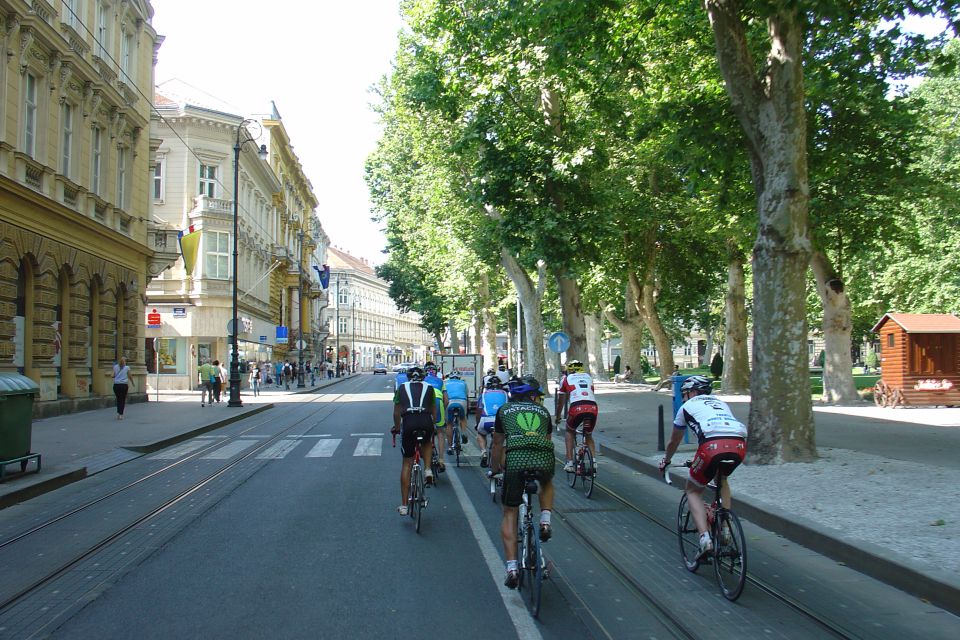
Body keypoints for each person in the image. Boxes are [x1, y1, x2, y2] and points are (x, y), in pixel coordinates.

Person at [659, 375, 747, 556]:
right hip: (739, 444)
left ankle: (705, 539)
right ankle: (725, 529)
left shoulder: (686, 407)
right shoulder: (721, 403)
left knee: (692, 490)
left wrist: (666, 460)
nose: (683, 398)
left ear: (692, 392)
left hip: (711, 447)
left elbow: (674, 442)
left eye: (684, 394)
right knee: (722, 478)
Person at [488, 375, 555, 589]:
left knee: (510, 511)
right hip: (543, 458)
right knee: (546, 481)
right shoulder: (543, 412)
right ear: (532, 397)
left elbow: (497, 444)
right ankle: (545, 521)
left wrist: (495, 469)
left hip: (515, 459)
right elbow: (546, 442)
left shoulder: (504, 410)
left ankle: (512, 568)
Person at [391, 366, 437, 515]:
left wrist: (397, 427)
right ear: (423, 377)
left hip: (409, 421)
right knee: (427, 441)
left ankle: (404, 505)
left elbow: (397, 411)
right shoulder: (430, 387)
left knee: (407, 462)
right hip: (425, 420)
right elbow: (433, 409)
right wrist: (434, 425)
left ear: (408, 377)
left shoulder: (402, 388)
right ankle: (428, 469)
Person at [560, 360, 599, 473]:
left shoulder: (566, 379)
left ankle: (570, 463)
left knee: (569, 431)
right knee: (588, 434)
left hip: (577, 407)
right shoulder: (589, 377)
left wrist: (558, 416)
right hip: (592, 407)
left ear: (570, 369)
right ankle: (594, 462)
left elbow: (561, 401)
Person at [476, 377, 508, 467]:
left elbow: (478, 411)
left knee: (480, 434)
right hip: (501, 421)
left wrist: (478, 424)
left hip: (486, 420)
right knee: (503, 441)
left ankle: (483, 451)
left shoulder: (483, 394)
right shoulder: (505, 394)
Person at [423, 362, 447, 471]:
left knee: (425, 431)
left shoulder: (422, 381)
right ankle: (441, 460)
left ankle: (425, 462)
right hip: (438, 402)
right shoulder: (441, 381)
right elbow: (446, 400)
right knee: (440, 432)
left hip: (426, 403)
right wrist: (443, 411)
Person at [443, 370, 470, 455]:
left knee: (449, 424)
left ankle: (450, 447)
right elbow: (466, 395)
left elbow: (444, 396)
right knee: (463, 418)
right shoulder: (463, 383)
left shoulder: (445, 383)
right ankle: (464, 433)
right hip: (462, 401)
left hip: (450, 401)